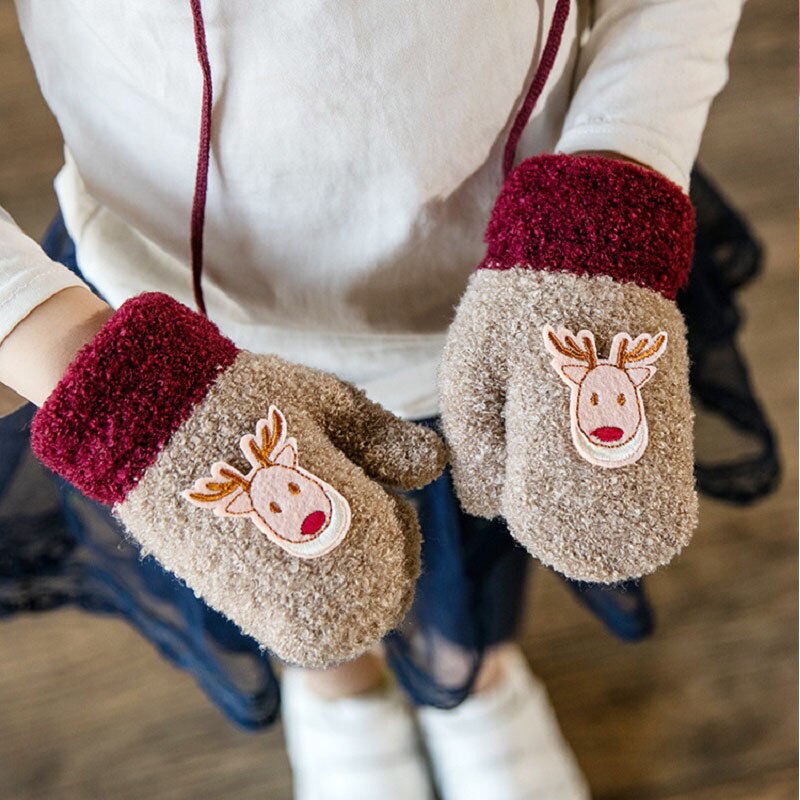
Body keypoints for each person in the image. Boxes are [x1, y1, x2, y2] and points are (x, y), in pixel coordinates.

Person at [0, 2, 749, 798]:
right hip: (169, 336)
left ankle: (473, 678)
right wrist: (54, 340)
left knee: (485, 544)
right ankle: (336, 689)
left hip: (539, 252)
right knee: (288, 582)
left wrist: (613, 183)